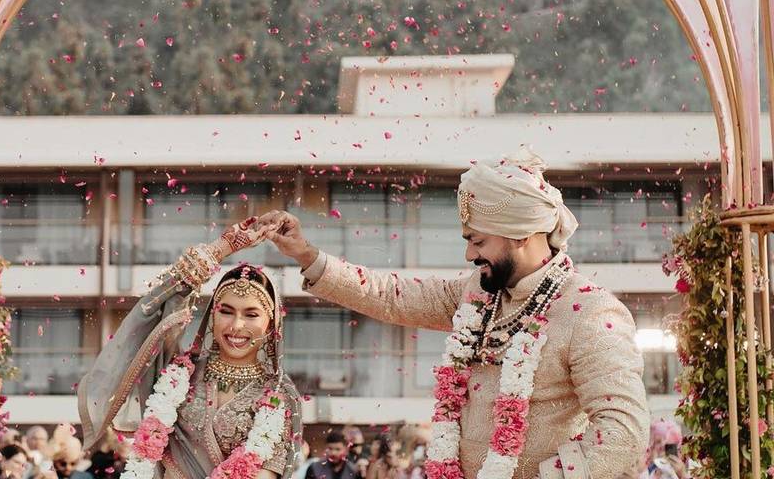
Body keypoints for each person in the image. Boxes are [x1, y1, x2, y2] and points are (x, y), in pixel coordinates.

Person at [260, 148, 650, 479]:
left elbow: (624, 433)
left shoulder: (590, 312)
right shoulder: (478, 294)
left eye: (478, 241)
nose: (469, 255)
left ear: (522, 235)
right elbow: (392, 296)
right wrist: (306, 254)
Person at [78, 217, 303, 478]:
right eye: (226, 311)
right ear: (212, 315)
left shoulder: (278, 393)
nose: (236, 325)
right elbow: (159, 302)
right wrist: (223, 247)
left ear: (270, 324)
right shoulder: (179, 372)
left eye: (251, 315)